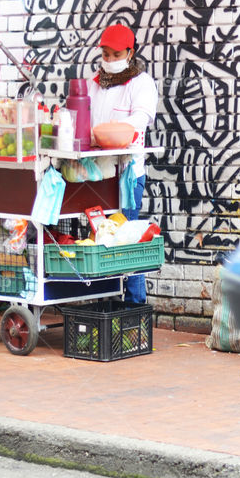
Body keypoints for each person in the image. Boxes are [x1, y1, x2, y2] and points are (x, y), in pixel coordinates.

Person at [89, 23, 158, 304]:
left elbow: (141, 119)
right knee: (101, 239)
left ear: (130, 52)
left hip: (127, 174)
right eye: (105, 54)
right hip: (96, 173)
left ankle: (134, 306)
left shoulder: (142, 84)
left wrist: (113, 130)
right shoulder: (95, 84)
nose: (110, 60)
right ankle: (103, 302)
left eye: (116, 54)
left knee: (127, 239)